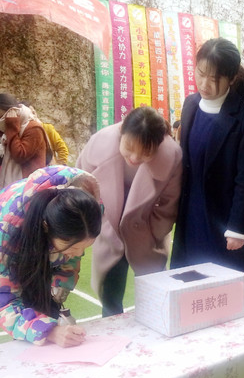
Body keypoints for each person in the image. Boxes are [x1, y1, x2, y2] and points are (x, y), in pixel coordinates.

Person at [0, 166, 102, 347]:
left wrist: (59, 286)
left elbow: (72, 251)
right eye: (73, 247)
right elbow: (2, 304)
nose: (79, 254)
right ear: (46, 227)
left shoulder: (88, 210)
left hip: (39, 235)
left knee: (48, 300)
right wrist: (49, 331)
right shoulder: (9, 231)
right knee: (28, 298)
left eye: (84, 247)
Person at [170, 38, 244, 285]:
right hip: (191, 212)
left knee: (220, 285)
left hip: (223, 218)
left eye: (214, 79)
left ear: (231, 78)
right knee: (187, 280)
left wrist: (236, 227)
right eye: (201, 74)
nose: (205, 84)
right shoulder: (191, 105)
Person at [77, 106, 182, 317]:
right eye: (129, 147)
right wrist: (97, 222)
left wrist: (154, 232)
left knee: (154, 294)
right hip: (108, 229)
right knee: (110, 296)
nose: (134, 157)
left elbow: (169, 204)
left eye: (146, 153)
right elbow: (80, 184)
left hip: (146, 232)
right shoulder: (99, 143)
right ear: (121, 132)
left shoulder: (171, 156)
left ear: (159, 145)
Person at [0, 93, 52, 191]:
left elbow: (19, 156)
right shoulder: (5, 131)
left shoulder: (33, 128)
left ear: (12, 111)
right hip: (13, 186)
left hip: (29, 186)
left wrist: (11, 128)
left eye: (0, 116)